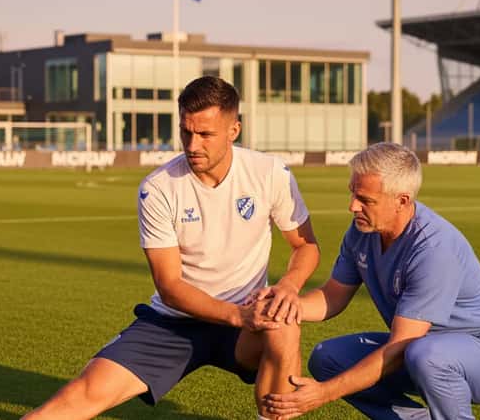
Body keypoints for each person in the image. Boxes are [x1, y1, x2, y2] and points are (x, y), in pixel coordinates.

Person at [23, 76, 320, 420]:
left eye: (206, 134)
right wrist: (237, 314)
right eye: (185, 132)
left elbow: (305, 245)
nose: (192, 145)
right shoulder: (159, 188)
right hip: (174, 322)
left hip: (245, 325)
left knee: (284, 322)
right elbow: (170, 286)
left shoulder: (270, 173)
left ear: (233, 130)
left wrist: (287, 286)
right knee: (81, 394)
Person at [264, 142, 480, 420]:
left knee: (424, 355)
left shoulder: (434, 248)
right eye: (353, 194)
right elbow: (332, 296)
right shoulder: (361, 230)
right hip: (422, 347)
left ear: (402, 200)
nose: (352, 206)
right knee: (327, 358)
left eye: (366, 200)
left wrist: (323, 393)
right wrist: (285, 307)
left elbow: (400, 346)